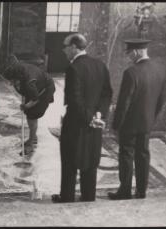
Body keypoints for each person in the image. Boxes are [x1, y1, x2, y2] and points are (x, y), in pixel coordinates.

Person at [52, 33, 112, 203]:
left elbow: (75, 99)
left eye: (65, 46)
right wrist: (99, 114)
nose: (64, 50)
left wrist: (89, 118)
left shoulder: (73, 68)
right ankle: (88, 197)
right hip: (95, 124)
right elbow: (107, 93)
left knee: (70, 163)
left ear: (74, 47)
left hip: (76, 124)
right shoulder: (100, 65)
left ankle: (67, 197)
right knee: (90, 163)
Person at [108, 39, 166, 200]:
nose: (129, 57)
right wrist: (151, 118)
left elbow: (124, 102)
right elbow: (162, 99)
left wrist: (116, 124)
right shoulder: (161, 70)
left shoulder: (131, 72)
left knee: (126, 155)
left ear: (136, 52)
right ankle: (141, 191)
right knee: (143, 155)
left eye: (129, 53)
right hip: (147, 122)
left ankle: (125, 191)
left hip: (129, 124)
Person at [2, 55, 56, 155]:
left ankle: (31, 143)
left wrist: (26, 106)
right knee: (29, 112)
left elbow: (35, 99)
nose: (8, 83)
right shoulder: (19, 71)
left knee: (32, 114)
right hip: (37, 86)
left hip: (45, 89)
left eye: (9, 80)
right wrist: (24, 102)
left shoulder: (28, 83)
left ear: (15, 77)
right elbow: (24, 92)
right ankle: (33, 136)